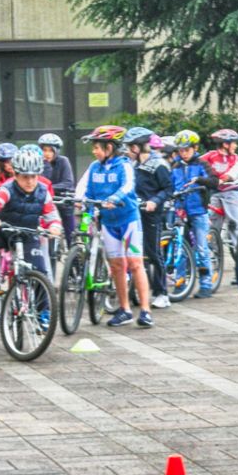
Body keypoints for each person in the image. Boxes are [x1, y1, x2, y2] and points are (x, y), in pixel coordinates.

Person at [0, 146, 62, 325]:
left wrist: (55, 227)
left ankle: (43, 314)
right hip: (4, 232)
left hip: (28, 236)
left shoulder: (43, 192)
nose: (30, 181)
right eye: (25, 176)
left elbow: (52, 215)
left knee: (41, 274)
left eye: (34, 176)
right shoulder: (7, 188)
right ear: (15, 174)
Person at [75, 125, 154, 327]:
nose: (94, 151)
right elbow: (90, 194)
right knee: (117, 266)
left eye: (97, 147)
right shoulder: (94, 168)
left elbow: (127, 186)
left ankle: (145, 311)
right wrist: (87, 211)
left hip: (128, 220)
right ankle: (125, 309)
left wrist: (114, 197)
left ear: (110, 147)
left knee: (135, 264)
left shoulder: (124, 165)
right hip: (108, 223)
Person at [124, 126, 173, 308]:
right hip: (133, 212)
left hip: (151, 213)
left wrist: (154, 201)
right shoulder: (131, 165)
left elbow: (168, 189)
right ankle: (139, 290)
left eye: (131, 147)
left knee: (153, 252)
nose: (128, 151)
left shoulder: (158, 164)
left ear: (139, 146)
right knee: (135, 254)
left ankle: (162, 293)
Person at [171, 134, 215, 299]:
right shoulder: (175, 166)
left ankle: (206, 284)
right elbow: (170, 185)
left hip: (198, 211)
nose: (184, 153)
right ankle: (180, 282)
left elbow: (214, 181)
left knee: (202, 248)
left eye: (187, 150)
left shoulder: (201, 164)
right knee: (179, 248)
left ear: (195, 148)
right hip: (180, 210)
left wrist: (200, 180)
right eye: (181, 150)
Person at [202, 129, 238, 283]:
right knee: (213, 228)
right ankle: (213, 259)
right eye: (234, 143)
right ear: (225, 144)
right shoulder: (210, 156)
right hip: (215, 193)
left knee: (234, 225)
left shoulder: (236, 157)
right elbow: (197, 162)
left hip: (232, 192)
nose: (236, 146)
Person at [38, 133, 76, 245]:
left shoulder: (63, 161)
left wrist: (49, 188)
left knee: (70, 233)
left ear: (56, 151)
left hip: (63, 201)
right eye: (44, 150)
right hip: (46, 202)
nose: (47, 154)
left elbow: (68, 183)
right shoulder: (40, 164)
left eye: (51, 150)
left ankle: (73, 254)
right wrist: (46, 166)